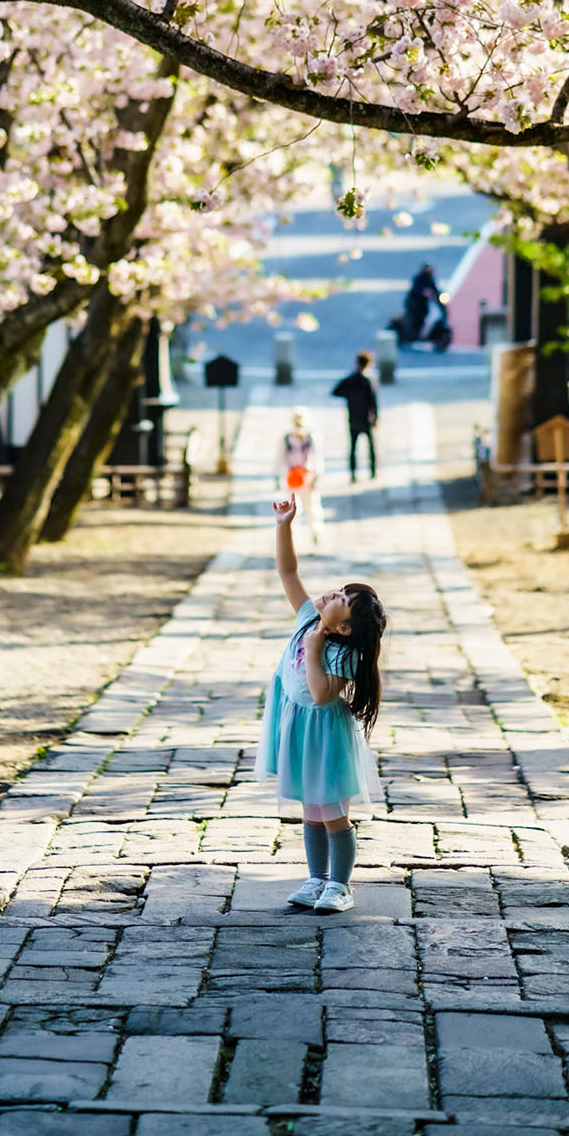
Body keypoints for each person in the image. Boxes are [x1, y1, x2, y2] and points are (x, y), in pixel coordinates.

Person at [255, 490, 386, 913]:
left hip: (324, 738)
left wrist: (313, 651)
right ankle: (315, 879)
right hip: (297, 730)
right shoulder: (309, 617)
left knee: (332, 813)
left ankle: (340, 885)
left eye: (341, 600)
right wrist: (284, 526)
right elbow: (289, 572)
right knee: (310, 810)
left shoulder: (341, 653)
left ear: (345, 629)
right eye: (340, 590)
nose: (331, 594)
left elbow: (320, 693)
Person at [278, 409, 324, 544]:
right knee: (293, 509)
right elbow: (280, 460)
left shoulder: (312, 439)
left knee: (312, 507)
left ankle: (316, 532)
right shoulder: (287, 440)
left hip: (308, 479)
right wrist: (281, 478)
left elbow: (318, 459)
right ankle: (292, 536)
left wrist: (316, 477)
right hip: (292, 479)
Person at [332, 351, 378, 481]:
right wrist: (376, 417)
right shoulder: (368, 381)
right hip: (366, 419)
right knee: (371, 447)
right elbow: (373, 402)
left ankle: (353, 474)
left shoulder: (349, 380)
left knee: (353, 448)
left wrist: (349, 395)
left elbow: (335, 391)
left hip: (353, 418)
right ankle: (373, 472)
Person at [403, 263, 442, 342]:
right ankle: (415, 334)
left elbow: (435, 289)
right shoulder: (418, 278)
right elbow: (417, 289)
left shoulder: (430, 279)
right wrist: (423, 292)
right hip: (416, 304)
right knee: (416, 318)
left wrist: (439, 294)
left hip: (425, 303)